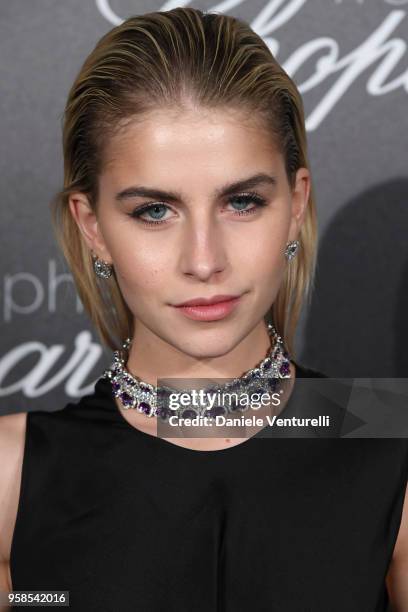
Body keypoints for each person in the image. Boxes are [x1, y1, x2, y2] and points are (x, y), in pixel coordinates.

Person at [0, 7, 407, 611]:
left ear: (296, 204)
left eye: (242, 201)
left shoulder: (392, 438)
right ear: (93, 229)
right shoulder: (13, 475)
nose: (204, 260)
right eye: (154, 211)